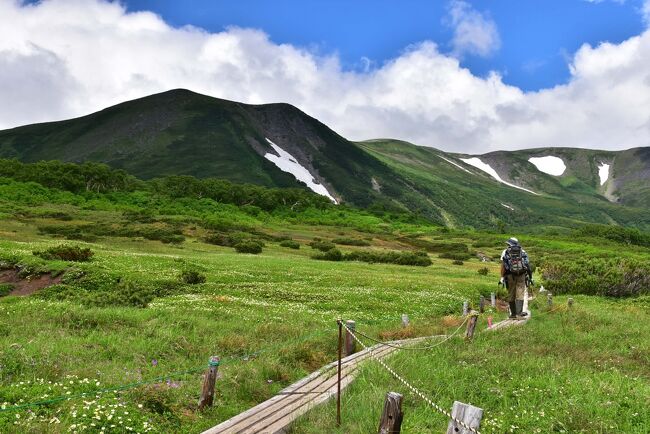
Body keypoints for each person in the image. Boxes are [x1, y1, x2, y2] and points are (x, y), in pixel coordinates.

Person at [499, 237, 533, 319]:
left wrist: (502, 277)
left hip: (510, 276)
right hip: (521, 275)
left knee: (511, 293)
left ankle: (513, 314)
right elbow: (527, 265)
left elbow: (503, 266)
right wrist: (530, 276)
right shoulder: (523, 251)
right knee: (520, 293)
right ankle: (519, 314)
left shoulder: (505, 252)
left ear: (509, 244)